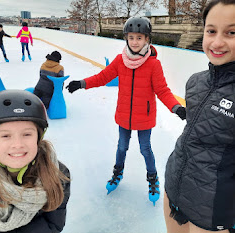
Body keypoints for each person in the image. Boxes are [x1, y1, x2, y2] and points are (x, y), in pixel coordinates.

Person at [66, 17, 186, 204]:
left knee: (145, 149)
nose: (135, 42)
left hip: (144, 116)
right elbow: (103, 77)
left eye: (139, 38)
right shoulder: (120, 61)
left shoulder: (153, 64)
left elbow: (162, 90)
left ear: (147, 40)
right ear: (126, 39)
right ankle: (117, 173)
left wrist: (176, 107)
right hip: (124, 115)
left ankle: (152, 179)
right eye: (131, 37)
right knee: (122, 147)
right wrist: (82, 83)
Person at [164, 0, 235, 233]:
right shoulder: (196, 82)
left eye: (231, 32)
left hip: (213, 210)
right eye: (211, 30)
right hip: (174, 189)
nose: (217, 42)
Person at [0, 89, 70, 233]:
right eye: (6, 136)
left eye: (27, 134)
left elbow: (53, 225)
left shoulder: (57, 174)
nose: (17, 144)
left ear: (38, 138)